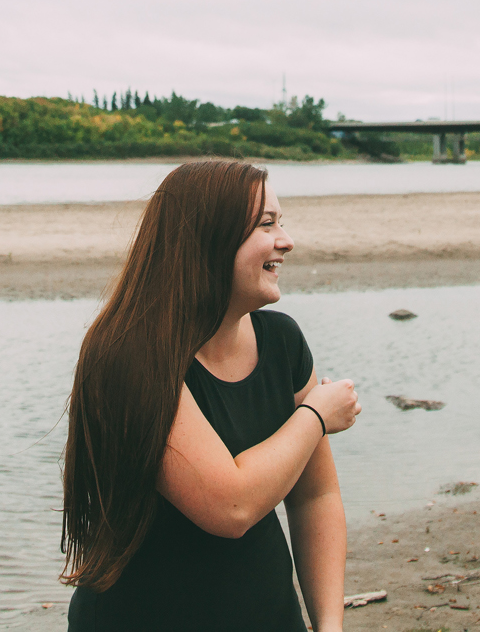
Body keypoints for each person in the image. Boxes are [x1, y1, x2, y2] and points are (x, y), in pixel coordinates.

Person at [61, 159, 359, 630]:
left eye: (281, 222)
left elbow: (314, 497)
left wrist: (329, 624)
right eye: (267, 224)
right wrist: (316, 417)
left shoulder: (281, 341)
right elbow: (230, 506)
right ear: (208, 237)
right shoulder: (128, 354)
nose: (286, 240)